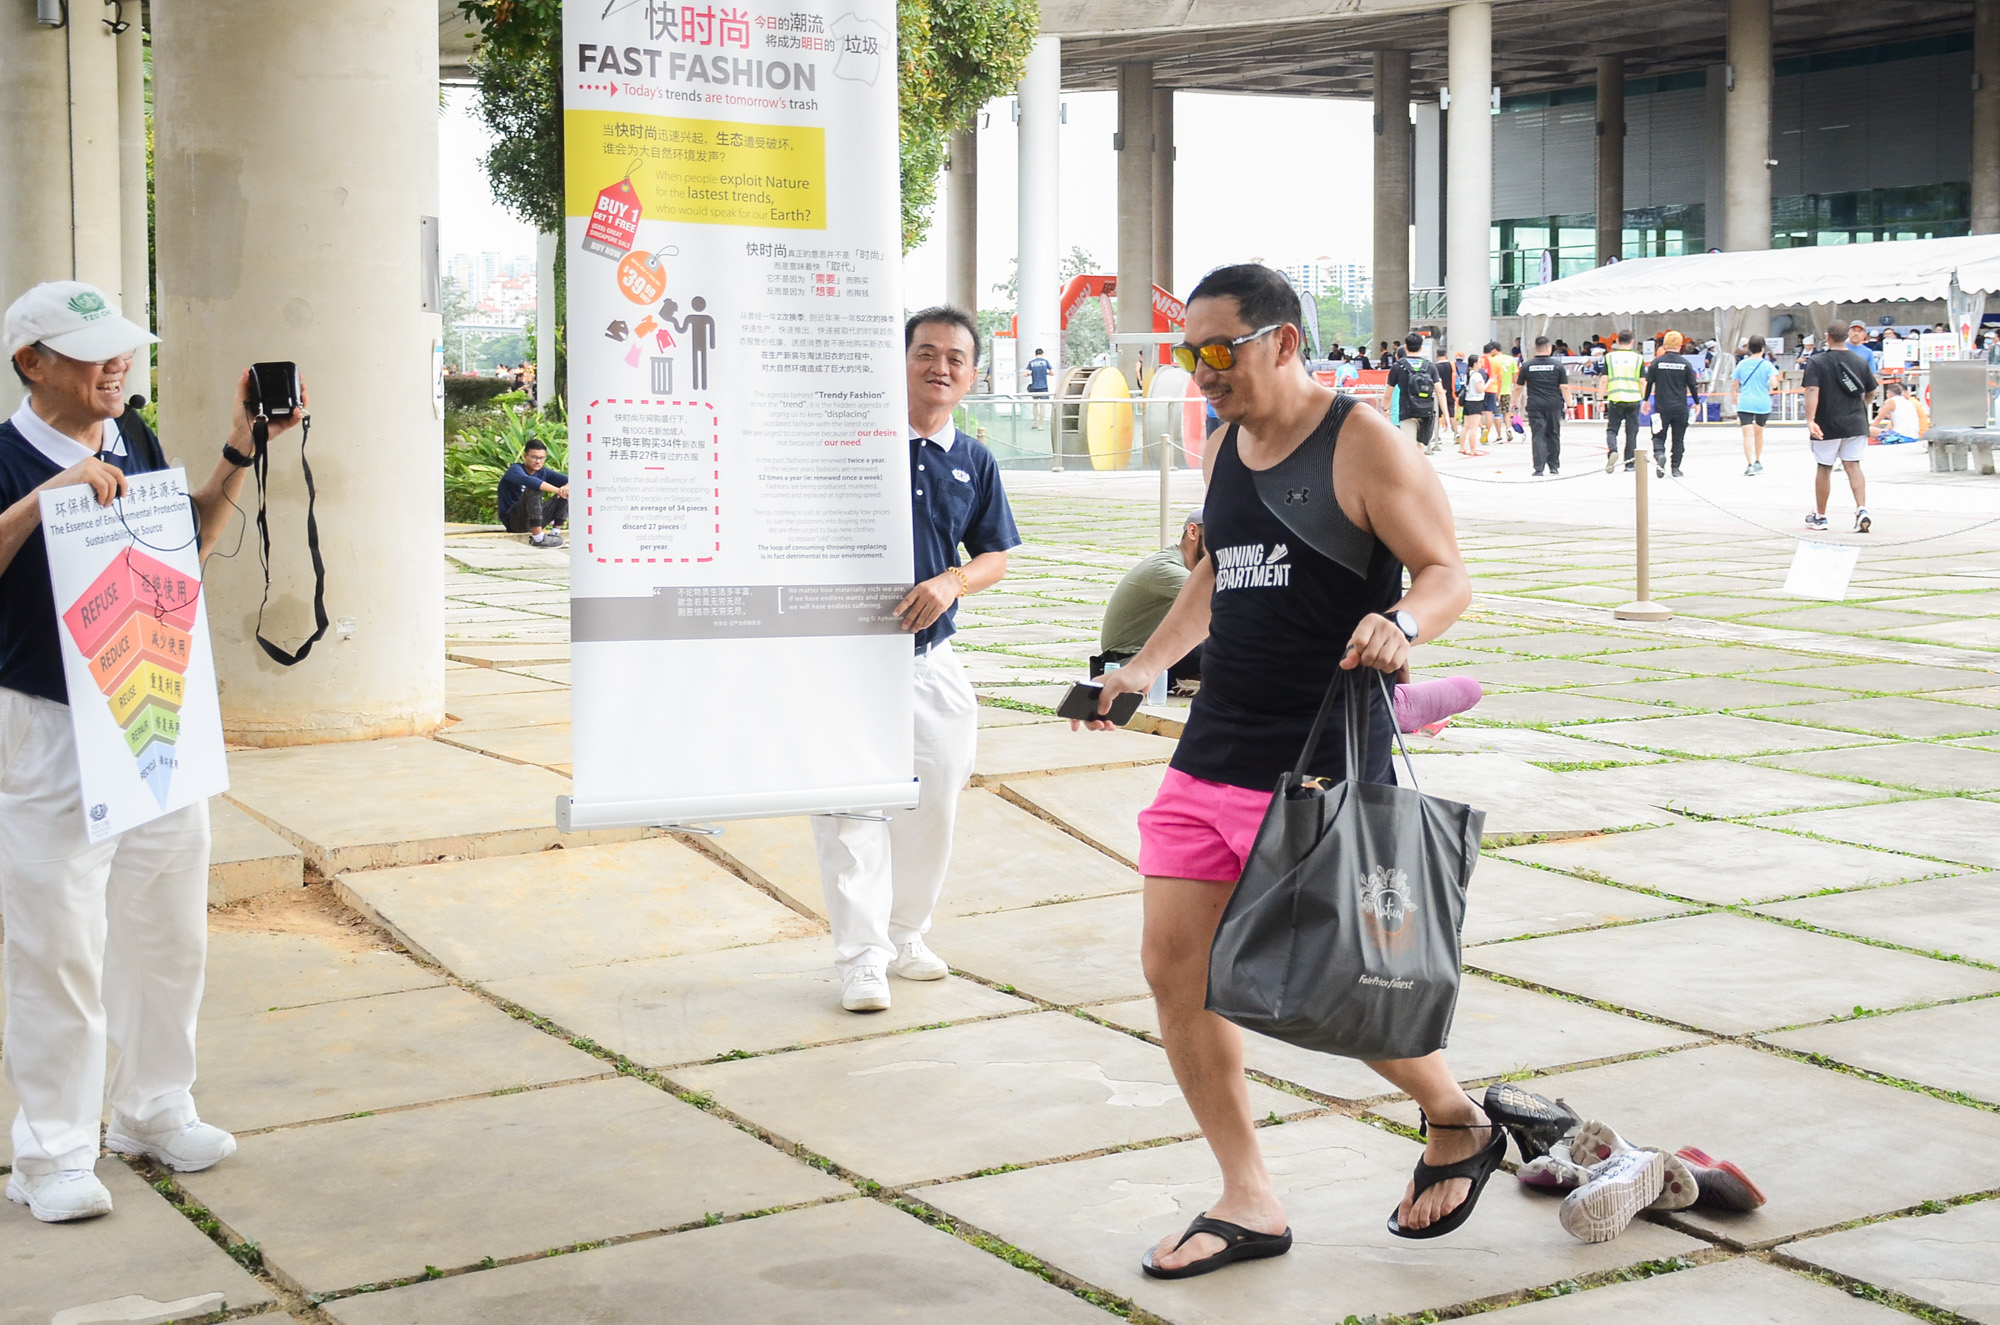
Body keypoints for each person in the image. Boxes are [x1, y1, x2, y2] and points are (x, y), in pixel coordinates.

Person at [1083, 263, 1507, 1274]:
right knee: (1176, 972)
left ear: (1280, 340)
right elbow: (1216, 574)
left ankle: (1456, 1117)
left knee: (1331, 983)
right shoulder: (1224, 444)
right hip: (1212, 751)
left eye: (1216, 349)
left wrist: (1403, 621)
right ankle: (1249, 1196)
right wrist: (1142, 668)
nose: (1200, 370)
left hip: (1320, 765)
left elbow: (1447, 573)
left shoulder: (1362, 442)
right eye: (1187, 351)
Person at [0, 281, 298, 1223]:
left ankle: (154, 1106)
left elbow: (185, 542)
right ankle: (52, 1150)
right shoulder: (8, 458)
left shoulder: (134, 436)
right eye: (92, 351)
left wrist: (240, 451)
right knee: (57, 941)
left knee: (166, 925)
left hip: (151, 709)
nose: (116, 363)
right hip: (49, 725)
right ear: (31, 362)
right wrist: (41, 503)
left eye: (121, 347)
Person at [813, 307, 1020, 1014]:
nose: (940, 367)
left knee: (936, 801)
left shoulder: (974, 459)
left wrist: (952, 581)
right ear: (899, 361)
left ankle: (907, 935)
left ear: (972, 374)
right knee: (851, 811)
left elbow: (994, 555)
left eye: (955, 358)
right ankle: (861, 958)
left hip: (931, 660)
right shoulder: (855, 443)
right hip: (846, 662)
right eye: (925, 352)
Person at [1094, 509, 1204, 690]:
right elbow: (1223, 605)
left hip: (1149, 657)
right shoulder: (1166, 568)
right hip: (1131, 662)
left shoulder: (1180, 564)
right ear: (1193, 532)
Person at [1801, 320, 1878, 533]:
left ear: (1827, 336)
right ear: (1846, 336)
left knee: (1824, 467)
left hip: (1827, 423)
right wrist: (1861, 407)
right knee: (1853, 465)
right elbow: (1872, 391)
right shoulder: (1860, 361)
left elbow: (1812, 390)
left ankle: (1821, 516)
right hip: (1855, 423)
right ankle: (1861, 509)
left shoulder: (1817, 361)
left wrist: (1810, 420)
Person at [1643, 330, 1700, 478]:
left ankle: (1659, 454)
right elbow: (1692, 385)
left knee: (1658, 435)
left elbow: (1649, 383)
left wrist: (1646, 400)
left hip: (1661, 407)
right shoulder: (1685, 364)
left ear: (1664, 344)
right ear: (1680, 345)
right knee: (1678, 439)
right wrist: (1697, 402)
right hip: (1680, 407)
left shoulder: (1657, 363)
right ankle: (1675, 468)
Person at [497, 439, 568, 548]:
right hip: (515, 521)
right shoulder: (515, 469)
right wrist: (558, 490)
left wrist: (565, 488)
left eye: (541, 458)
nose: (538, 461)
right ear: (525, 456)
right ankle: (538, 538)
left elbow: (571, 480)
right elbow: (529, 481)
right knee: (534, 488)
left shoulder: (543, 472)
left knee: (568, 491)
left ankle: (555, 534)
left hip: (536, 518)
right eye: (534, 457)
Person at [1516, 336, 1570, 476]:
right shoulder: (1557, 365)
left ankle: (1539, 468)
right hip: (1553, 404)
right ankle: (1553, 466)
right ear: (1549, 348)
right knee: (1553, 434)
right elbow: (1564, 387)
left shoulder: (1527, 366)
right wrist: (1570, 405)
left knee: (1538, 436)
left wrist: (1513, 402)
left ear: (1535, 348)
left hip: (1535, 405)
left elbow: (1518, 387)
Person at [1386, 334, 1441, 454]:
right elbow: (1440, 391)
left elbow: (1388, 393)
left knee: (1409, 447)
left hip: (1407, 411)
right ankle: (1420, 465)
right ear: (1421, 348)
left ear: (1406, 347)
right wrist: (1446, 414)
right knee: (1420, 446)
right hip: (1426, 411)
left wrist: (1385, 408)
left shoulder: (1398, 366)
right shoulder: (1429, 366)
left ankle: (1413, 465)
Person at [1732, 335, 1777, 475]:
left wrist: (1734, 397)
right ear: (1763, 348)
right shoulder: (1767, 365)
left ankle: (1749, 464)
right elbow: (1774, 384)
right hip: (1762, 403)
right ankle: (1758, 460)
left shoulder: (1742, 364)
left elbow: (1734, 384)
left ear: (1749, 348)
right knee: (1759, 432)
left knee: (1747, 435)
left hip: (1745, 402)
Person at [1601, 329, 1645, 472]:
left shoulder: (1610, 357)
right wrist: (1644, 398)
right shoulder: (1638, 358)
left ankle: (1613, 451)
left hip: (1615, 398)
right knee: (1631, 432)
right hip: (1633, 399)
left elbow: (1604, 380)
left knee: (1612, 430)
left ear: (1617, 341)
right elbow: (1642, 381)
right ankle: (1629, 463)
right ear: (1632, 342)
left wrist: (1600, 399)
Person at [1459, 353, 1491, 455]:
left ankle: (1462, 447)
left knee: (1466, 426)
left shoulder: (1469, 374)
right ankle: (1473, 449)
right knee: (1474, 427)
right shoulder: (1477, 375)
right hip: (1476, 402)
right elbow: (1480, 389)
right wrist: (1489, 383)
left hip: (1468, 401)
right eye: (1479, 362)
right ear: (1475, 363)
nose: (1481, 364)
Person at [1025, 346, 1053, 429]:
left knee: (1035, 404)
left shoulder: (1031, 363)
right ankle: (1041, 424)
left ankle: (1036, 423)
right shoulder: (1045, 362)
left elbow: (1025, 374)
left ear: (1035, 354)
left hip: (1034, 386)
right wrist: (1046, 373)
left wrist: (1031, 373)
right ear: (1042, 354)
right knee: (1042, 406)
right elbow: (1052, 373)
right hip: (1043, 386)